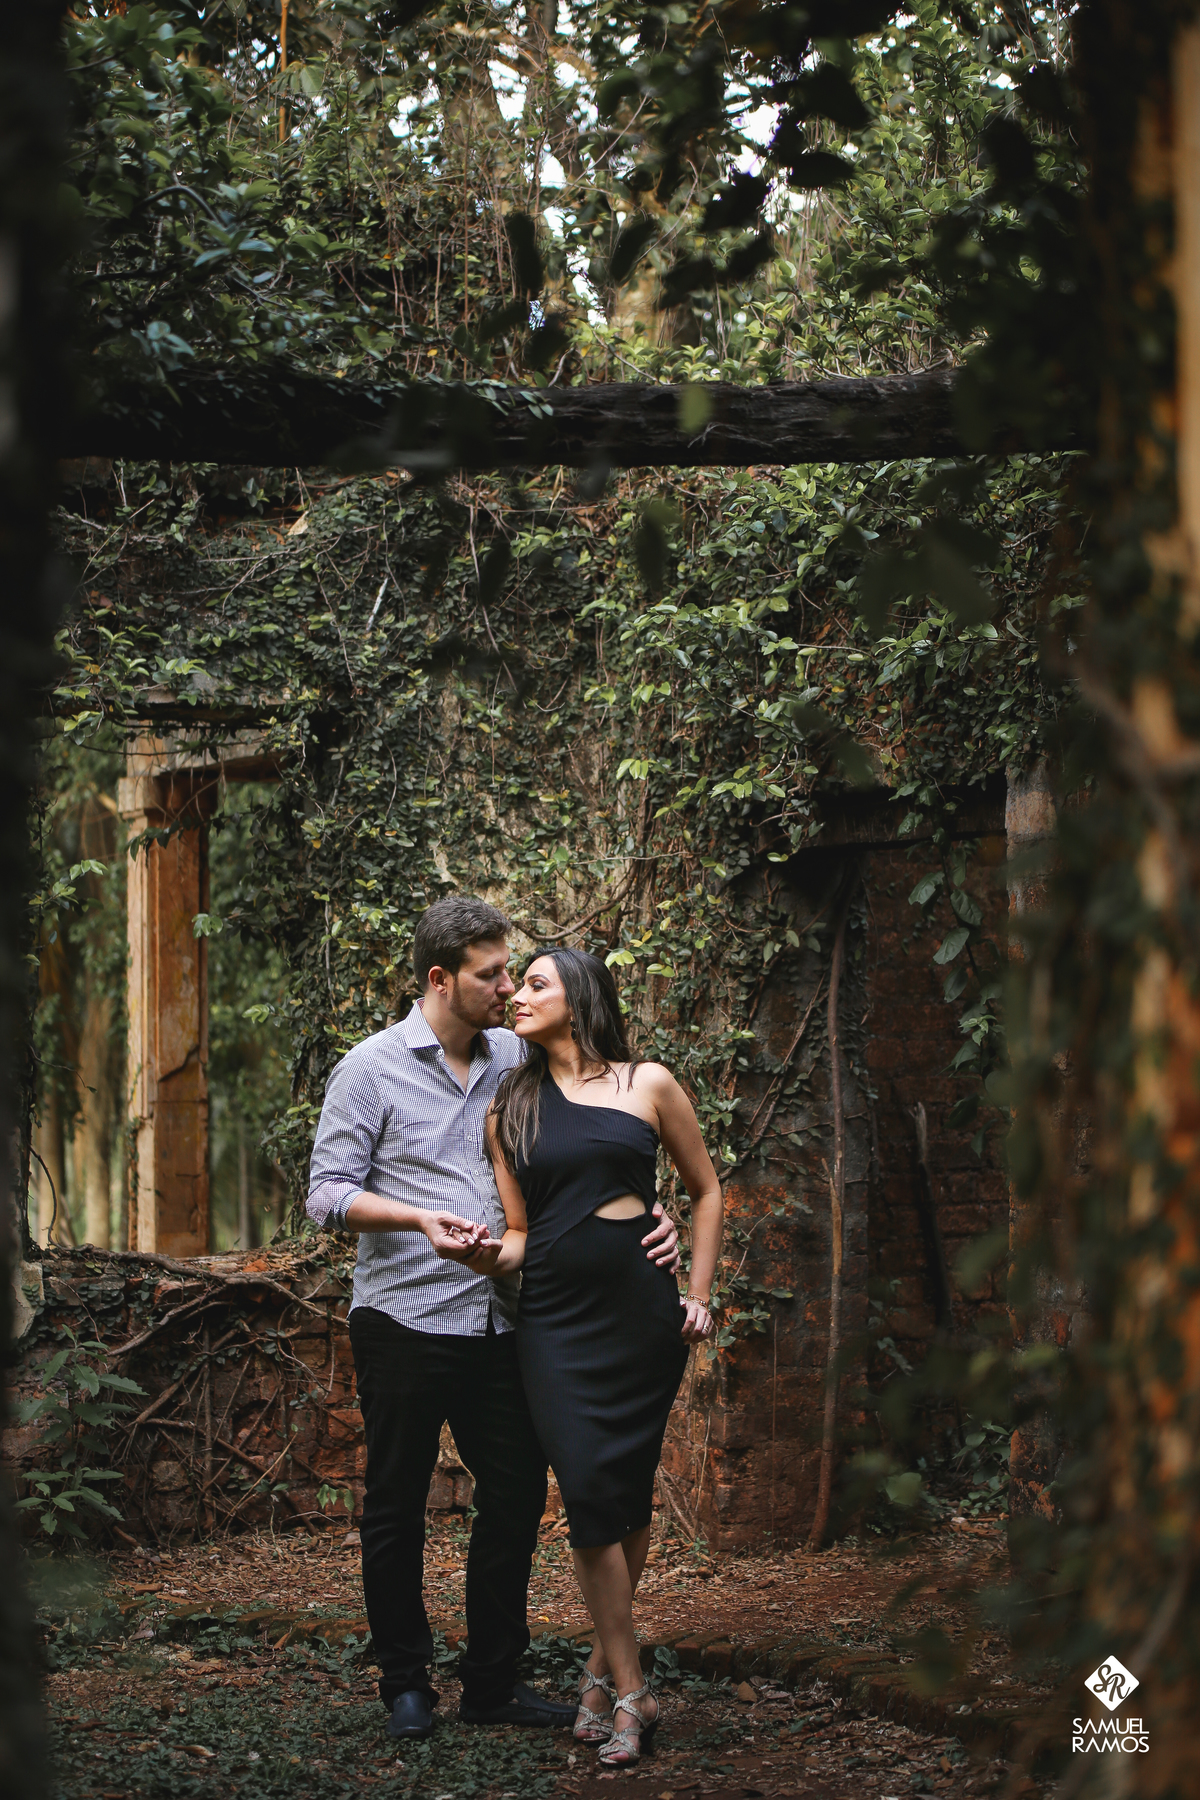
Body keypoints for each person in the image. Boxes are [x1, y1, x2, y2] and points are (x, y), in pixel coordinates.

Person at [305, 896, 681, 1743]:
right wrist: (417, 1218)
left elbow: (596, 1134)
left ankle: (492, 1682)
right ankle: (405, 1683)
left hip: (506, 1318)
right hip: (404, 1318)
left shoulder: (516, 1053)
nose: (508, 987)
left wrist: (644, 1210)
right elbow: (325, 1195)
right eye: (492, 975)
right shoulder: (369, 1069)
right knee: (396, 1504)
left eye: (513, 972)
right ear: (441, 980)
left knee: (514, 1497)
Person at [466, 947, 724, 1769]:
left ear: (578, 999)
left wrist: (700, 1292)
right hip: (553, 1324)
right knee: (584, 1494)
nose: (517, 995)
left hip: (640, 1321)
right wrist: (480, 1256)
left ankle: (598, 1674)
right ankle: (634, 1686)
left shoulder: (647, 1083)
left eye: (535, 983)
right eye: (517, 984)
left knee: (626, 1498)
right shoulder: (509, 1107)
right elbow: (518, 1236)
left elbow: (705, 1189)